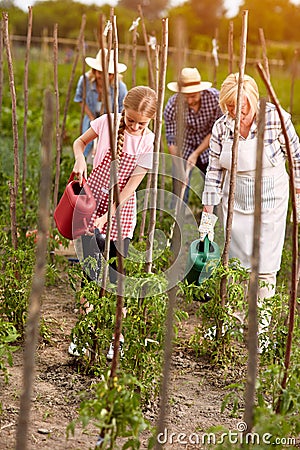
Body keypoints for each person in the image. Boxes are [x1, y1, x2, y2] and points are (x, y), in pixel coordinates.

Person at [200, 73, 300, 336]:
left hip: (271, 199)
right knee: (234, 262)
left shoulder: (276, 118)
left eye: (241, 107)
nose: (236, 113)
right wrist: (207, 217)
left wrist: (298, 201)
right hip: (235, 200)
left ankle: (261, 328)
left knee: (265, 265)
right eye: (230, 107)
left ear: (253, 100)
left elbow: (297, 159)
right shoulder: (222, 127)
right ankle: (233, 321)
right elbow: (213, 172)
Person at [70, 85, 158, 359]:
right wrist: (80, 160)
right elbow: (79, 142)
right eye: (130, 120)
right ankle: (83, 334)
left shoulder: (148, 141)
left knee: (117, 274)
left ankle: (115, 336)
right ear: (123, 111)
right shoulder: (107, 122)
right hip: (93, 200)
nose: (133, 126)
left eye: (140, 123)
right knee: (89, 272)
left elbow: (133, 184)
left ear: (150, 121)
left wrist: (110, 214)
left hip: (122, 209)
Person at [164, 67, 223, 204]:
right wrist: (179, 165)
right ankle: (178, 215)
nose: (189, 101)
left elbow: (216, 131)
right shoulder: (172, 106)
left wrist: (196, 153)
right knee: (180, 185)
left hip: (209, 144)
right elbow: (172, 138)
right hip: (184, 145)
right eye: (186, 97)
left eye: (193, 96)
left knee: (212, 184)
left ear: (200, 90)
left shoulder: (215, 99)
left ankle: (213, 214)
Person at [74, 48, 128, 158]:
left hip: (111, 121)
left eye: (108, 74)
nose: (103, 77)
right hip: (91, 117)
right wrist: (91, 117)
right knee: (87, 143)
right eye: (100, 72)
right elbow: (80, 99)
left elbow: (123, 109)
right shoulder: (85, 81)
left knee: (107, 147)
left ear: (113, 75)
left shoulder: (120, 87)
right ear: (94, 71)